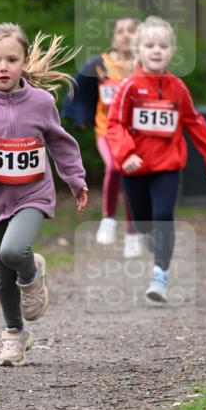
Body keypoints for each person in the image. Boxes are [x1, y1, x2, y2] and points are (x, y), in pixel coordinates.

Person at [0, 22, 88, 368]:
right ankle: (15, 334)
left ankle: (31, 273)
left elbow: (60, 143)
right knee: (1, 275)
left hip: (33, 194)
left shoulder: (41, 102)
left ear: (24, 61)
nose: (3, 67)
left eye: (12, 59)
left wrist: (75, 179)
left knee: (14, 251)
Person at [106, 16, 206, 303]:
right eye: (149, 45)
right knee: (146, 223)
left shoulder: (177, 88)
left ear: (171, 51)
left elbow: (194, 122)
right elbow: (115, 124)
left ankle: (160, 274)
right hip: (134, 167)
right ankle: (152, 239)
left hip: (167, 166)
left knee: (163, 215)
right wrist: (126, 154)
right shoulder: (129, 87)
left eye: (162, 45)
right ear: (138, 51)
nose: (156, 50)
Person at [64, 17, 142, 258]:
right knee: (115, 167)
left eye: (132, 31)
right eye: (121, 31)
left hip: (137, 136)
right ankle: (108, 219)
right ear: (112, 38)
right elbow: (77, 90)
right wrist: (79, 116)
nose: (126, 35)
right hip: (107, 131)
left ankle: (132, 234)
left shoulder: (146, 66)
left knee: (132, 179)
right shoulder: (99, 65)